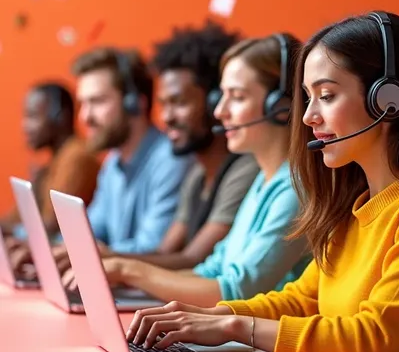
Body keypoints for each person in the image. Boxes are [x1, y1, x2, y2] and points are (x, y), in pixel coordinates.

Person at [125, 12, 399, 352]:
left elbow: (375, 340)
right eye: (308, 98)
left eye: (326, 96)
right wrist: (214, 316)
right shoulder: (353, 202)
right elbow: (303, 300)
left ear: (387, 100)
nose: (308, 116)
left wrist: (236, 329)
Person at [63, 33, 311, 305]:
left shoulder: (295, 187)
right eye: (222, 96)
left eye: (237, 97)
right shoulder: (264, 182)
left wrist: (126, 269)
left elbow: (238, 288)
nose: (219, 112)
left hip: (267, 344)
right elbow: (210, 270)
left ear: (280, 105)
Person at [120, 21, 259, 270]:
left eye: (179, 102)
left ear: (215, 102)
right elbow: (165, 252)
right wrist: (102, 259)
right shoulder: (196, 176)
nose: (167, 117)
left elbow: (191, 259)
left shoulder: (245, 169)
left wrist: (111, 262)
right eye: (163, 104)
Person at [0, 82, 99, 238]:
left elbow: (52, 227)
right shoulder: (55, 162)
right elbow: (14, 218)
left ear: (61, 118)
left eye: (32, 116)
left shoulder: (77, 158)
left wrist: (10, 230)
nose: (25, 126)